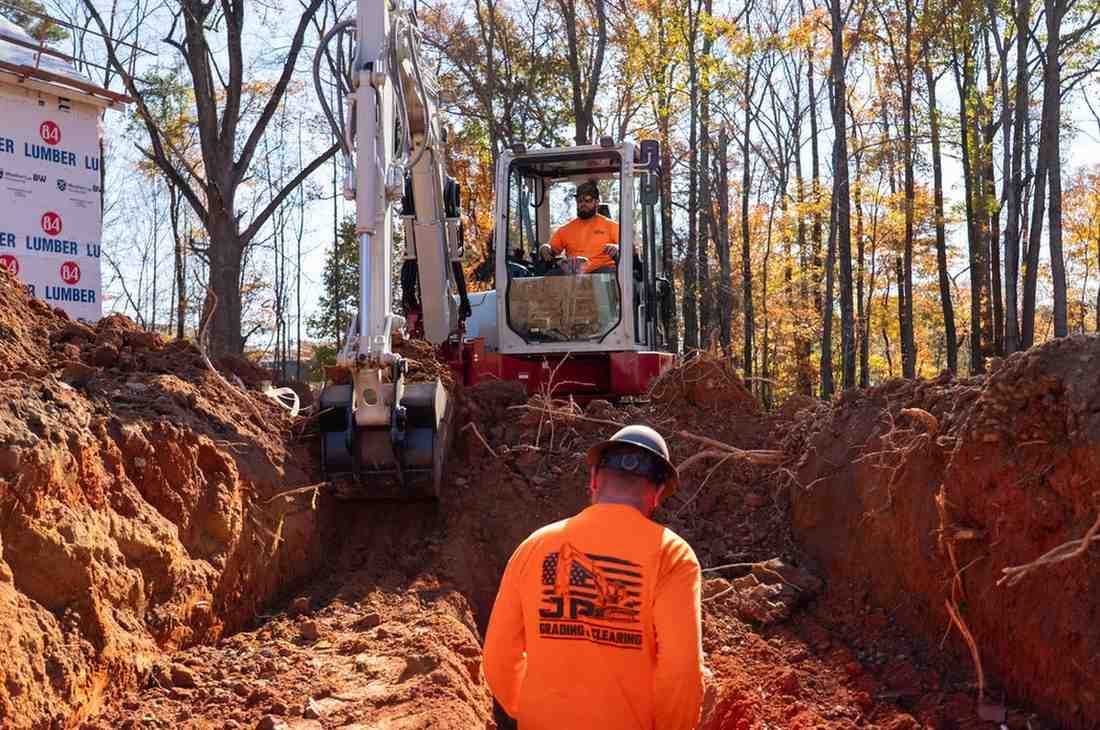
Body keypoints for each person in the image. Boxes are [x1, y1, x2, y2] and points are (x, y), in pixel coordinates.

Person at [482, 425, 705, 730]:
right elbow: (682, 670)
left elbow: (498, 656)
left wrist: (533, 709)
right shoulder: (672, 556)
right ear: (657, 494)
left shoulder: (534, 547)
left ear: (594, 480)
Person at [538, 179, 620, 273]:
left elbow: (626, 248)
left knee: (607, 273)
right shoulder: (566, 229)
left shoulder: (611, 225)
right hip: (573, 275)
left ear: (597, 202)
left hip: (601, 273)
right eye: (579, 200)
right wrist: (545, 248)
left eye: (587, 200)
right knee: (551, 274)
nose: (583, 204)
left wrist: (617, 248)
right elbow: (551, 249)